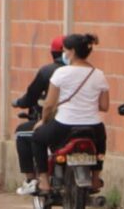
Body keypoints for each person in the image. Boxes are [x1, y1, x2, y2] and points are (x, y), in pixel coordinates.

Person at [29, 33, 110, 195]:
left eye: (65, 50)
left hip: (64, 126)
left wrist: (43, 121)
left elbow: (49, 105)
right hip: (93, 127)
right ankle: (95, 178)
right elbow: (104, 106)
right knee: (100, 148)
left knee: (37, 138)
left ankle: (44, 182)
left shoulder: (61, 73)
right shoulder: (99, 75)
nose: (64, 54)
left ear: (72, 51)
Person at [12, 35, 67, 195]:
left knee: (24, 133)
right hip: (86, 125)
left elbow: (33, 96)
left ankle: (33, 179)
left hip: (59, 123)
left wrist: (20, 102)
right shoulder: (90, 72)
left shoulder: (49, 72)